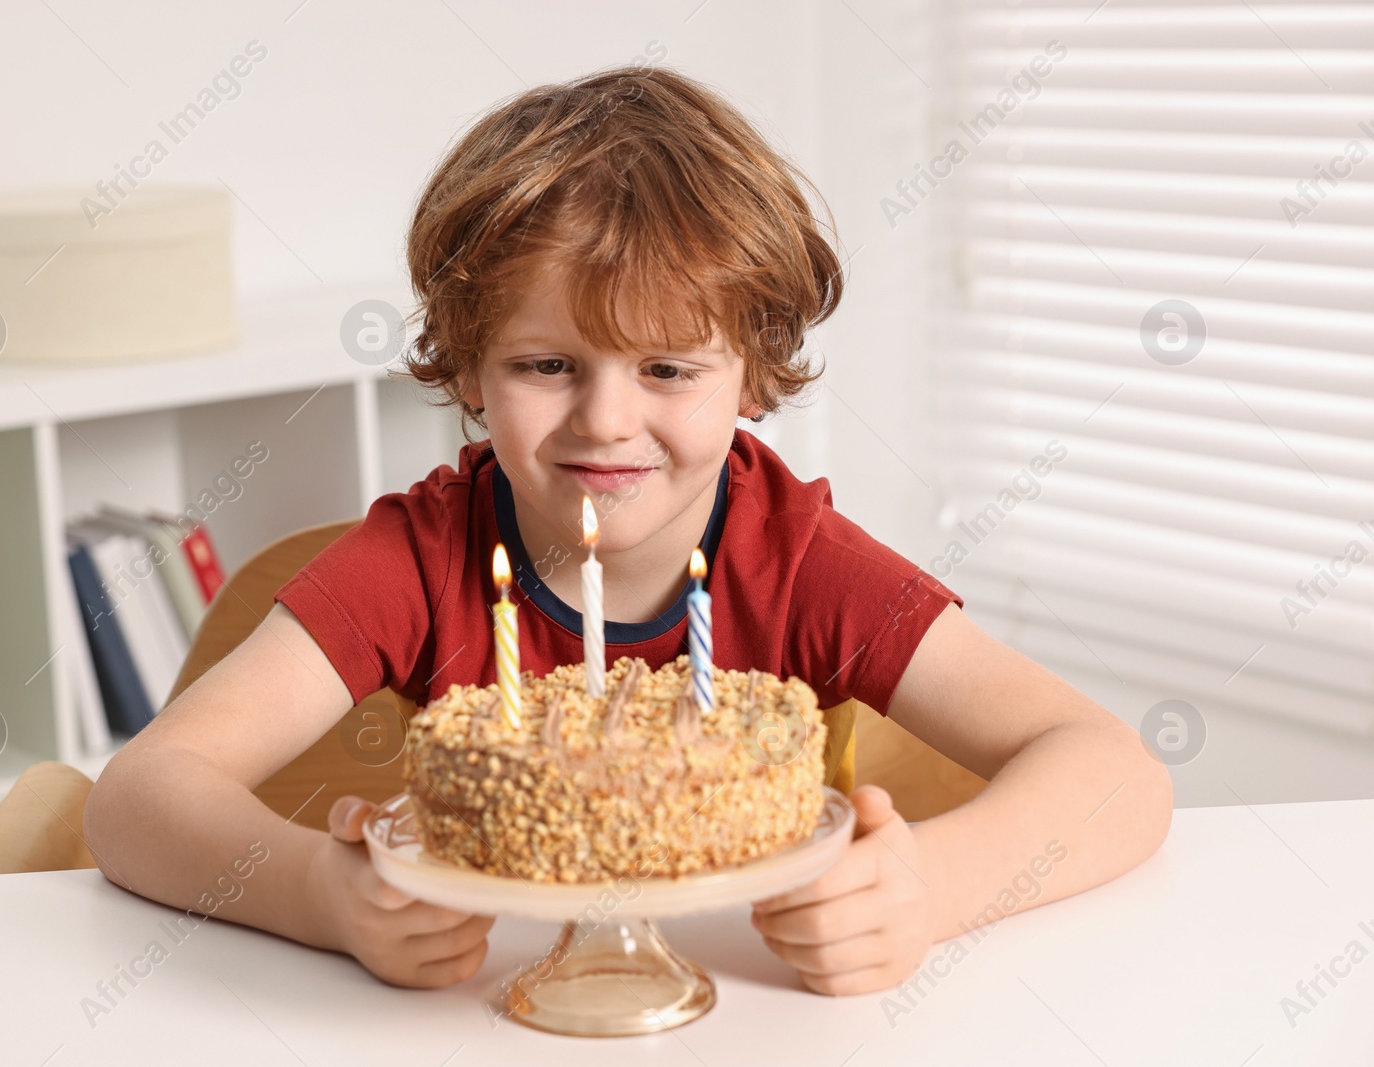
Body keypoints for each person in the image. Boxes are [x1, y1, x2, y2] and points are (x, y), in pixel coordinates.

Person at [83, 65, 1171, 997]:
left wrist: (931, 887)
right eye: (546, 364)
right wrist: (321, 893)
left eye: (666, 368)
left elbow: (1115, 768)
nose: (606, 420)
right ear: (466, 364)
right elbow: (139, 795)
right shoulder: (421, 559)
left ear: (754, 372)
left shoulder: (799, 564)